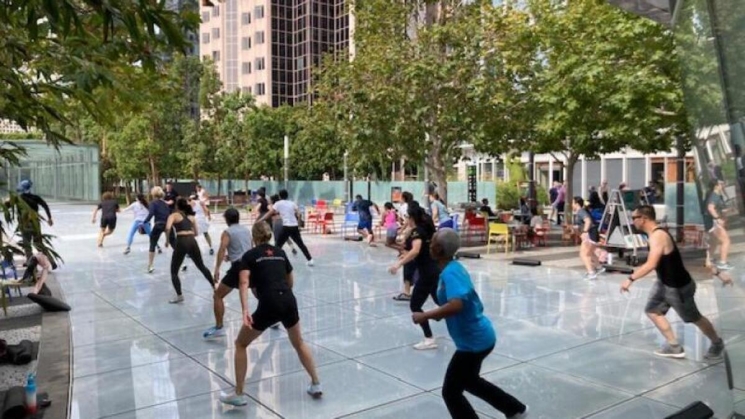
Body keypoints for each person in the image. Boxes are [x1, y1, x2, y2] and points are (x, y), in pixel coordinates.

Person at [414, 228, 528, 419]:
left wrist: (426, 315)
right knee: (470, 381)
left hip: (473, 342)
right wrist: (439, 314)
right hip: (477, 338)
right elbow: (456, 303)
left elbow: (456, 305)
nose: (429, 244)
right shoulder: (452, 268)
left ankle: (516, 409)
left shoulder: (451, 273)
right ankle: (515, 409)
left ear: (439, 249)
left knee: (450, 392)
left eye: (432, 241)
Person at [219, 221, 322, 406]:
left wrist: (245, 310)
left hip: (269, 303)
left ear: (254, 237)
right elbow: (290, 279)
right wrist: (283, 294)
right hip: (289, 300)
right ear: (269, 235)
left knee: (241, 343)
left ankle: (239, 393)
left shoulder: (249, 256)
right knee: (299, 343)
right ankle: (316, 383)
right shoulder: (280, 253)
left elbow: (243, 283)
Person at [621, 205, 725, 360]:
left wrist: (630, 279)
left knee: (693, 318)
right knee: (652, 310)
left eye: (634, 218)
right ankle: (674, 346)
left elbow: (651, 264)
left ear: (643, 218)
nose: (632, 221)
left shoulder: (658, 236)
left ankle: (717, 343)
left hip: (678, 288)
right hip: (663, 283)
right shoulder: (654, 235)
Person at [388, 203, 440, 350]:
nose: (405, 219)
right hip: (433, 270)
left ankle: (429, 338)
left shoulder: (417, 231)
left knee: (415, 305)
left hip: (427, 273)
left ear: (411, 217)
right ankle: (462, 320)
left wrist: (398, 265)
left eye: (406, 217)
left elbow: (416, 250)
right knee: (439, 300)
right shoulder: (424, 229)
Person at [203, 208, 253, 339]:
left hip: (238, 267)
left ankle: (219, 327)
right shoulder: (246, 230)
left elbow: (222, 249)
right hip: (251, 265)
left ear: (226, 219)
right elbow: (249, 249)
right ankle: (274, 318)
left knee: (218, 296)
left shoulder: (227, 232)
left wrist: (217, 269)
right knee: (260, 293)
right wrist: (231, 256)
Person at [164, 198, 215, 303]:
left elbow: (168, 228)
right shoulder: (191, 217)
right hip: (192, 241)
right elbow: (196, 233)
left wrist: (167, 241)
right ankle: (215, 287)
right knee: (201, 266)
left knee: (174, 271)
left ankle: (179, 296)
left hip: (182, 241)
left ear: (177, 206)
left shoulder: (173, 215)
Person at [259, 190, 313, 266]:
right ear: (287, 196)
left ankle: (273, 260)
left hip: (286, 227)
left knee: (278, 244)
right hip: (294, 226)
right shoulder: (292, 203)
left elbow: (269, 213)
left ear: (280, 196)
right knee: (301, 244)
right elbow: (299, 214)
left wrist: (261, 220)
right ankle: (310, 259)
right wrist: (299, 224)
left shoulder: (278, 203)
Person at [16, 180, 53, 261]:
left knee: (27, 245)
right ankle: (51, 261)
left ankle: (30, 264)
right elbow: (45, 205)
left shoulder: (19, 199)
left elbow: (7, 206)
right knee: (39, 243)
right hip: (36, 223)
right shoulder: (35, 198)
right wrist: (49, 218)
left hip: (25, 224)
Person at [704, 180, 733, 270]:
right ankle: (722, 263)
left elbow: (717, 208)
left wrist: (727, 211)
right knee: (726, 241)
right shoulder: (714, 195)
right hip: (713, 223)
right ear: (716, 186)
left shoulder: (717, 195)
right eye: (721, 184)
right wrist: (717, 219)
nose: (723, 185)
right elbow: (710, 208)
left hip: (712, 222)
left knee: (714, 242)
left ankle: (709, 260)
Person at [144, 187, 173, 273]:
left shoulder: (153, 203)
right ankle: (182, 264)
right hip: (168, 224)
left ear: (153, 194)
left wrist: (145, 221)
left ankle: (150, 265)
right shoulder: (165, 204)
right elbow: (169, 214)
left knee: (152, 243)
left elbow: (151, 213)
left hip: (159, 224)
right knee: (174, 244)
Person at [572, 197, 603, 280]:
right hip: (592, 233)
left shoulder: (581, 211)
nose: (571, 205)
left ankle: (591, 273)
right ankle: (599, 268)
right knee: (590, 252)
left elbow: (588, 221)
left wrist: (585, 232)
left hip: (590, 233)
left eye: (572, 203)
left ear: (576, 204)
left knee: (584, 254)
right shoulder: (580, 212)